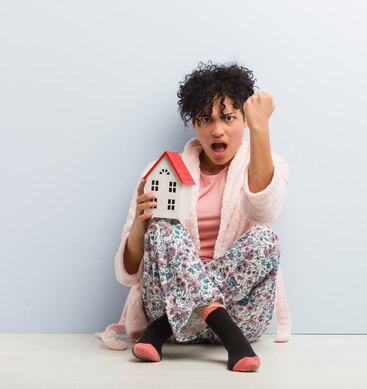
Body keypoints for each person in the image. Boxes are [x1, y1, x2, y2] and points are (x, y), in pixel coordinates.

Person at [100, 61, 290, 372]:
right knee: (163, 229)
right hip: (170, 301)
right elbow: (129, 275)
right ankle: (227, 336)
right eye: (206, 119)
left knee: (265, 239)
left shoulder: (271, 164)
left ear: (244, 120)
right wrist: (140, 225)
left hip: (239, 312)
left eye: (228, 118)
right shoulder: (161, 172)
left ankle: (160, 329)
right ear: (194, 124)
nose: (217, 130)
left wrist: (260, 128)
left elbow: (265, 212)